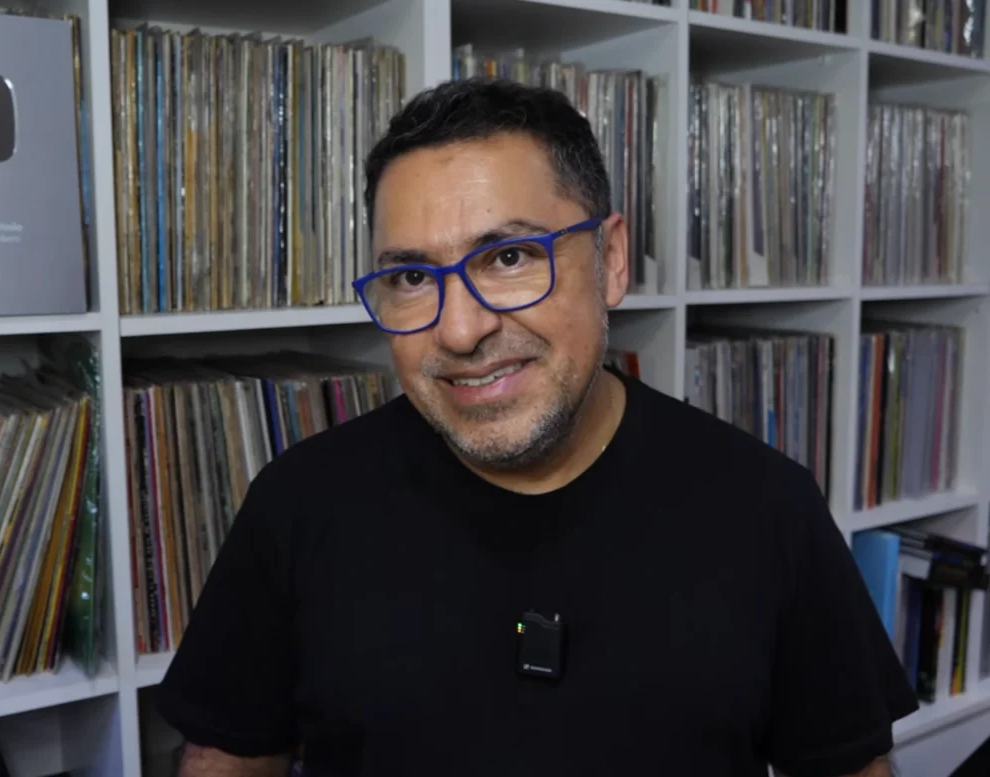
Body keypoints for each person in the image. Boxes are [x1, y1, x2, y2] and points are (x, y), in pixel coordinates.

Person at [158, 77, 919, 777]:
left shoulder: (768, 509)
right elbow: (228, 762)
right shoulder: (297, 506)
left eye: (510, 257)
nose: (460, 330)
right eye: (413, 277)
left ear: (610, 259)